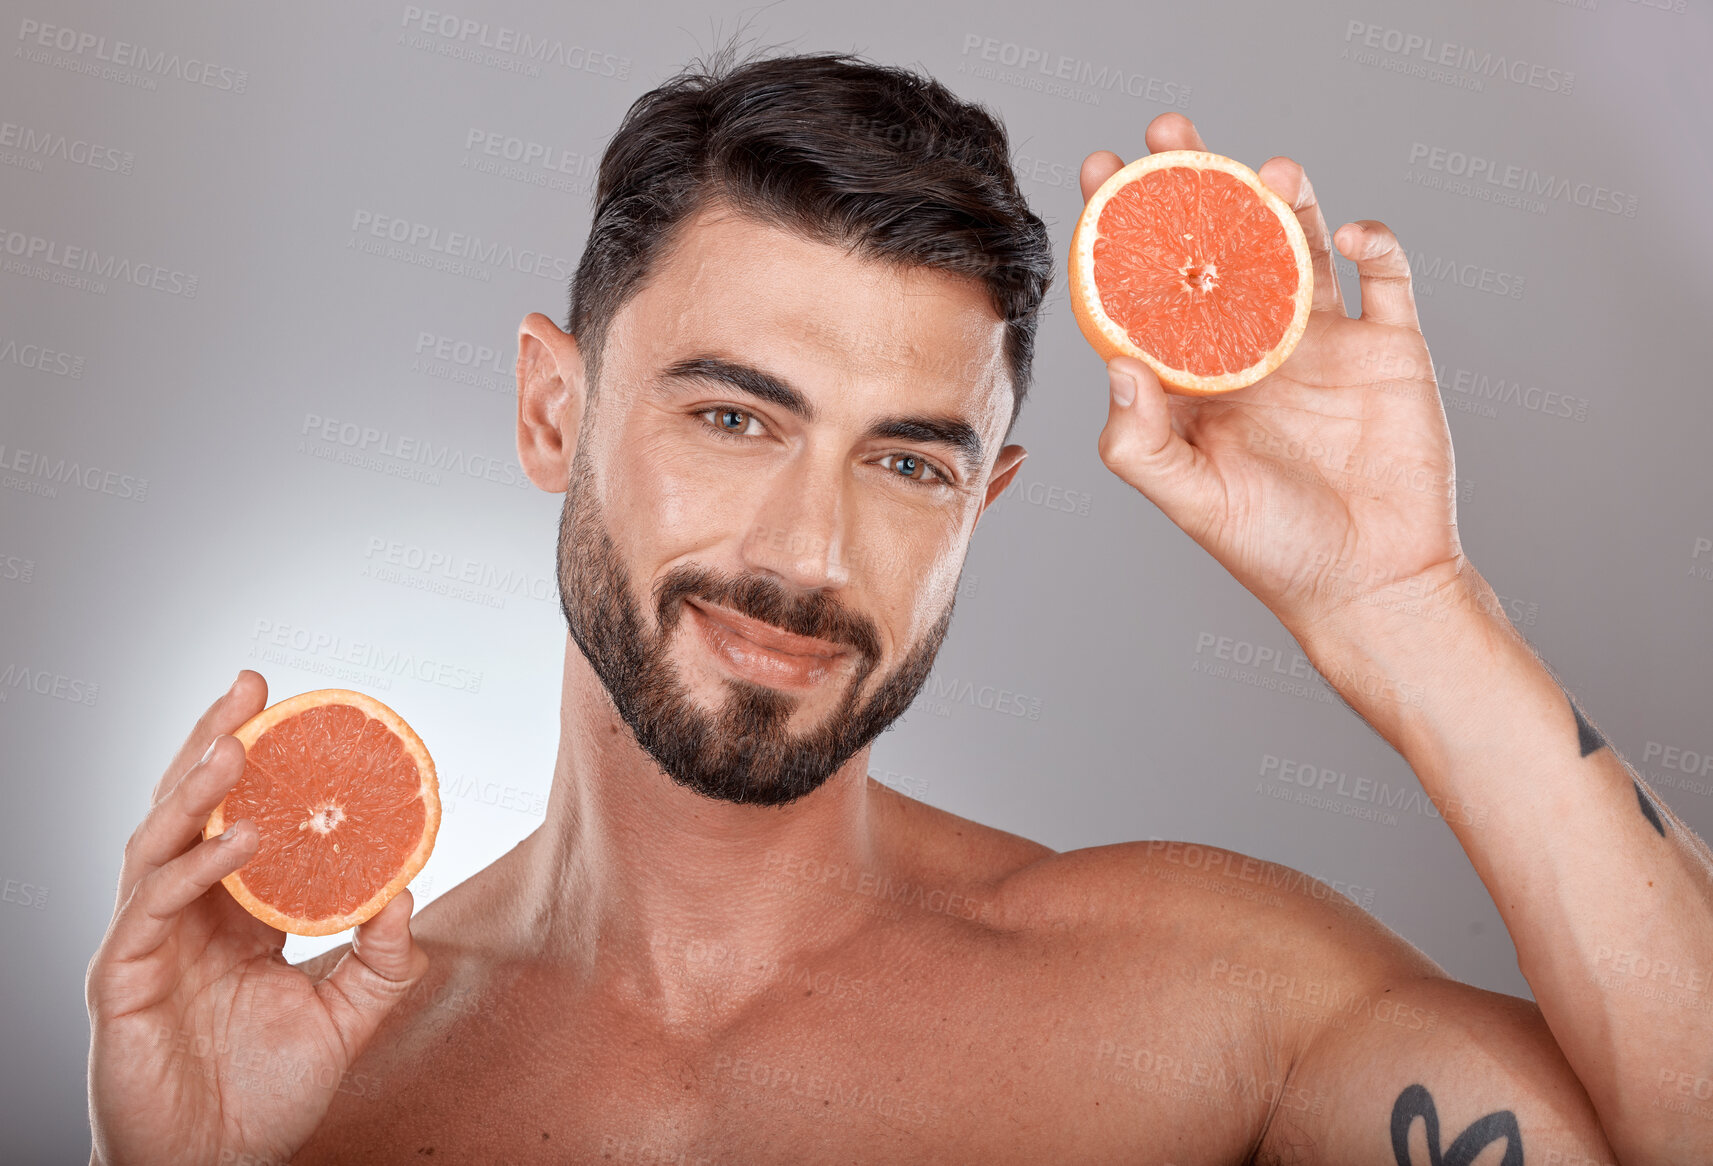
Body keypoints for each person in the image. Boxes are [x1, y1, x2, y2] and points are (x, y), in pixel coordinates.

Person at [86, 49, 1711, 1165]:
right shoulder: (320, 1077)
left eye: (910, 463)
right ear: (552, 415)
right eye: (734, 417)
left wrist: (1410, 604)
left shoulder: (1198, 997)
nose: (810, 547)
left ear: (981, 503)